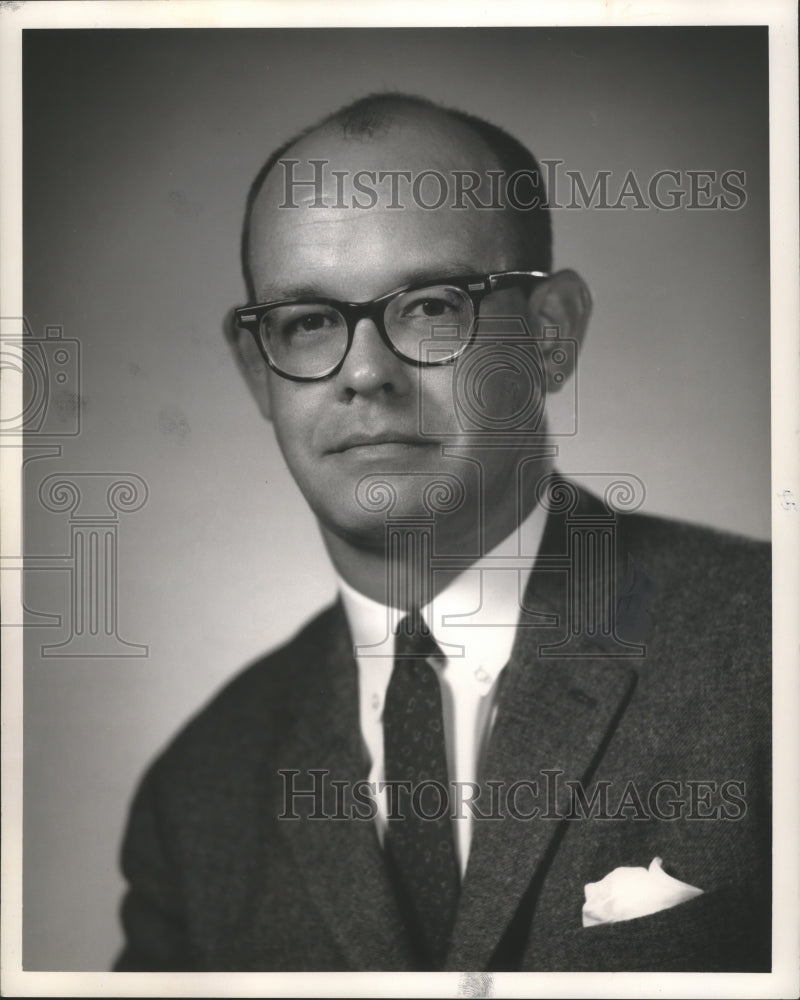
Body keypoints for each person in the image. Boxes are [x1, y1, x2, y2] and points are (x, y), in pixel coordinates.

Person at [114, 93, 771, 972]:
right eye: (308, 323)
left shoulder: (772, 650)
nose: (365, 374)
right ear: (257, 373)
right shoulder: (197, 794)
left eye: (430, 306)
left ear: (550, 334)